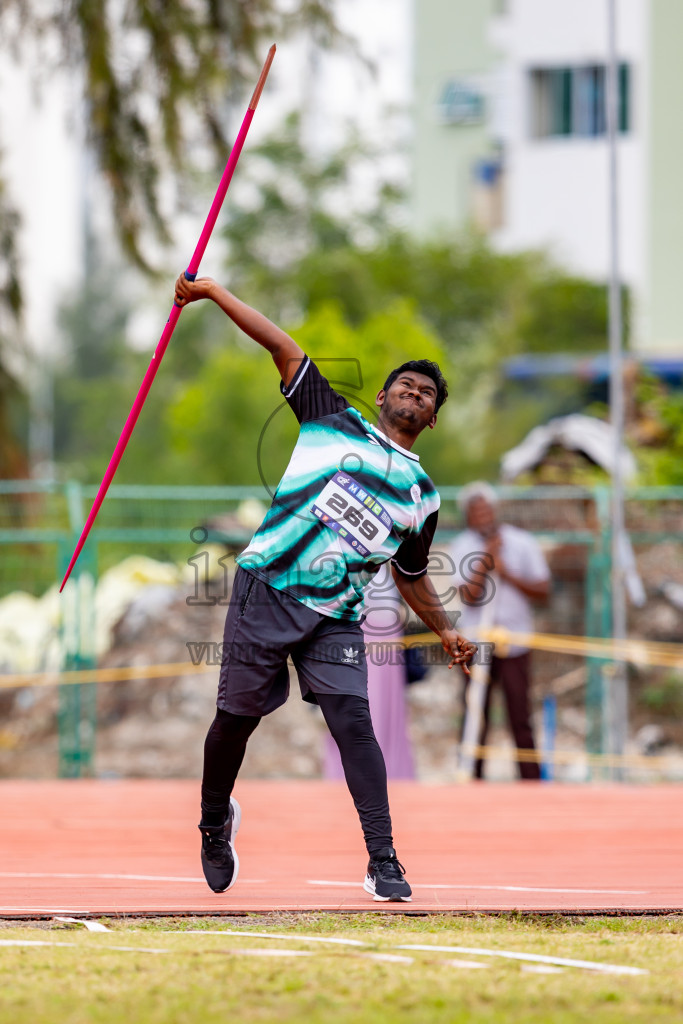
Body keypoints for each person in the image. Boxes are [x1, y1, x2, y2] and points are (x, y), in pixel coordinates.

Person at [174, 272, 476, 902]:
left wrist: (446, 629)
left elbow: (411, 575)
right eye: (405, 385)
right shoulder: (332, 418)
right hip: (268, 588)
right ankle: (213, 822)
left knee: (354, 726)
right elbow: (282, 346)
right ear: (385, 395)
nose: (414, 395)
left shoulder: (424, 497)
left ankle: (383, 859)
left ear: (434, 418)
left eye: (426, 394)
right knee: (235, 720)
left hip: (336, 615)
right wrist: (215, 294)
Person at [449, 482, 550, 781]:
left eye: (486, 510)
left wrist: (507, 573)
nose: (482, 516)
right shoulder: (461, 546)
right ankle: (472, 777)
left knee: (520, 713)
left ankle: (531, 781)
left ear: (495, 511)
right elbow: (469, 596)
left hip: (516, 640)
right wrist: (485, 561)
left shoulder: (522, 542)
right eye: (475, 511)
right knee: (474, 712)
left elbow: (543, 590)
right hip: (475, 643)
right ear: (468, 516)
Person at [324, 569, 416, 780]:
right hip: (354, 625)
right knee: (358, 700)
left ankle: (388, 768)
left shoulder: (391, 545)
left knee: (386, 702)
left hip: (387, 628)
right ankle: (353, 770)